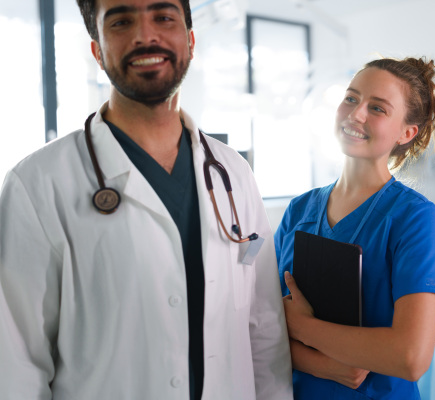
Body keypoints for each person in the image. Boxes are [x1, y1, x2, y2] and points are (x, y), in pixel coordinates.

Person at [0, 0, 292, 399]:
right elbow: (16, 364)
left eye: (163, 17)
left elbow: (264, 329)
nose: (145, 35)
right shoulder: (37, 185)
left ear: (190, 41)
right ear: (97, 51)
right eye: (121, 21)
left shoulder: (233, 174)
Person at [274, 57, 435, 399]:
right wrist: (326, 365)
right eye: (351, 98)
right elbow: (259, 326)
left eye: (377, 108)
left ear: (406, 133)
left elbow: (409, 357)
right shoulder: (299, 210)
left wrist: (301, 326)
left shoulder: (414, 218)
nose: (356, 114)